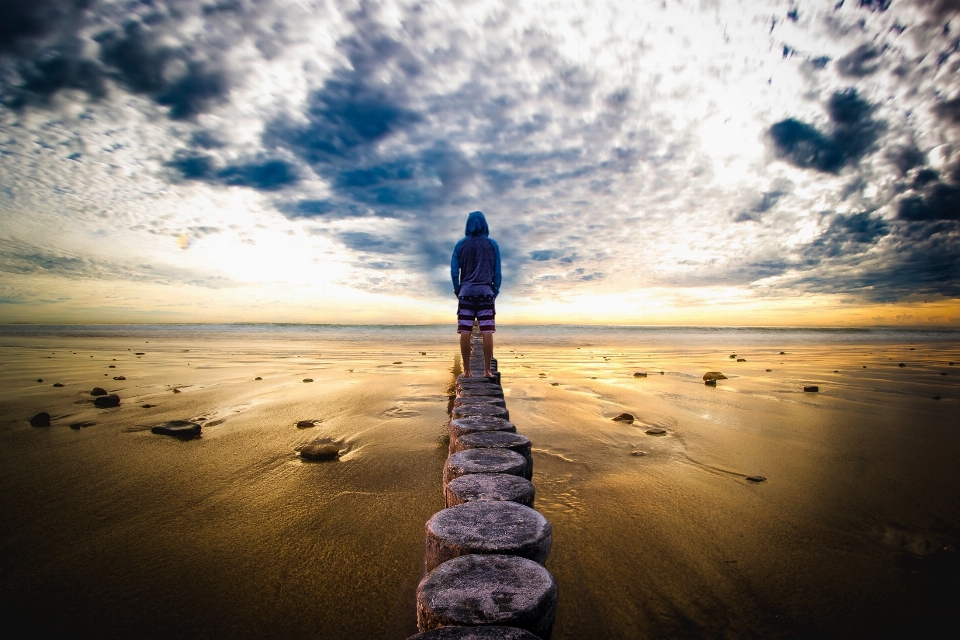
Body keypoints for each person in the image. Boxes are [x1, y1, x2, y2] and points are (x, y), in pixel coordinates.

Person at [451, 210, 501, 378]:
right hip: (486, 292)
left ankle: (467, 370)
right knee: (487, 330)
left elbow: (453, 271)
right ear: (484, 224)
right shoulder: (492, 245)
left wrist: (457, 289)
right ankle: (487, 370)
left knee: (465, 330)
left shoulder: (460, 245)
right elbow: (497, 272)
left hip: (466, 293)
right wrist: (495, 290)